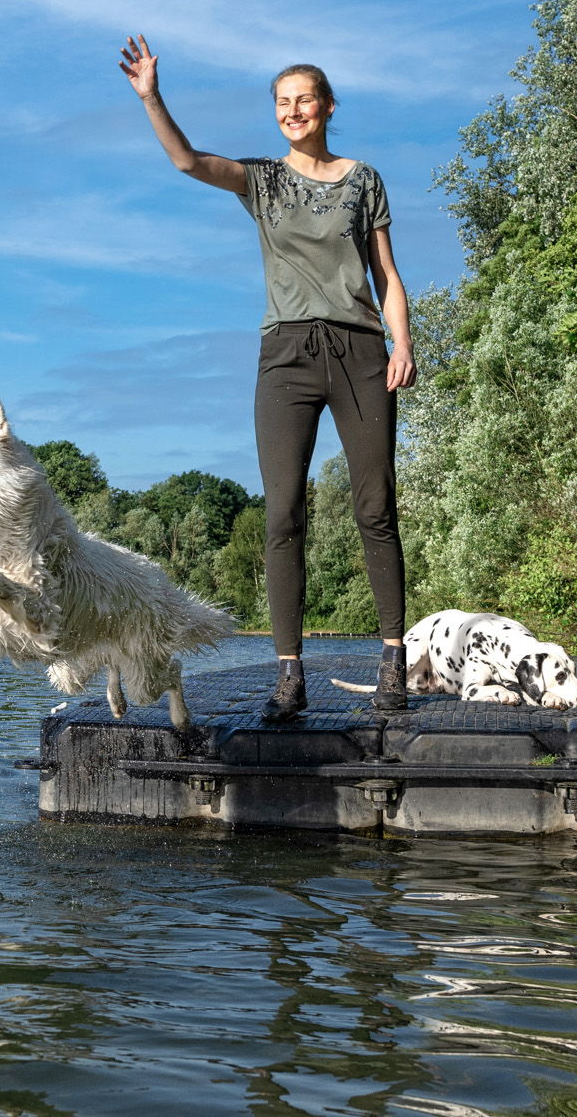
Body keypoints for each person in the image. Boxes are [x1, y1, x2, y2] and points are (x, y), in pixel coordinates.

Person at [118, 35, 416, 719]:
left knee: (375, 507)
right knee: (282, 512)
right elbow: (186, 159)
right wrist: (151, 97)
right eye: (282, 102)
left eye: (304, 99)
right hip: (285, 356)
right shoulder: (263, 180)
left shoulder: (363, 179)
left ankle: (394, 660)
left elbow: (387, 276)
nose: (293, 110)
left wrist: (403, 341)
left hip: (361, 351)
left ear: (328, 105)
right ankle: (290, 675)